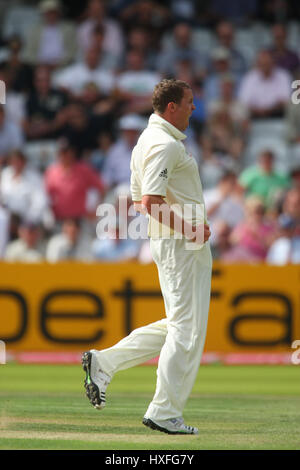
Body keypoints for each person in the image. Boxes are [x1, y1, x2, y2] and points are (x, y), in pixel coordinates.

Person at [82, 79, 212, 435]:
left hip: (177, 244)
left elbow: (145, 200)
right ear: (171, 107)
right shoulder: (162, 143)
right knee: (187, 329)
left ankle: (104, 363)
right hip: (180, 245)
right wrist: (191, 230)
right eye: (189, 102)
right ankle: (164, 411)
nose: (193, 108)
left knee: (180, 325)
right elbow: (150, 204)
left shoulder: (151, 140)